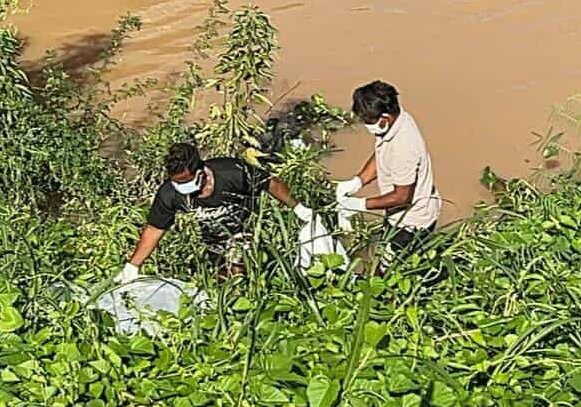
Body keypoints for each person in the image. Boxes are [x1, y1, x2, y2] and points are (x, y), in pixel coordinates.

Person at [114, 142, 312, 282]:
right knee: (222, 277)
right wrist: (133, 266)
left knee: (238, 271)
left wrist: (298, 208)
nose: (183, 187)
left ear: (200, 171)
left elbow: (270, 183)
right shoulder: (170, 194)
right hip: (214, 239)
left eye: (186, 181)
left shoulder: (233, 173)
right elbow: (155, 228)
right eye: (177, 182)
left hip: (245, 229)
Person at [335, 80, 441, 265]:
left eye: (368, 122)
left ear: (384, 118)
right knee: (383, 256)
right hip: (397, 214)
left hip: (411, 223)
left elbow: (402, 197)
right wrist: (358, 181)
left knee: (389, 268)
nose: (367, 126)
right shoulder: (398, 121)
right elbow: (382, 154)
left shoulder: (404, 147)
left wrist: (359, 204)